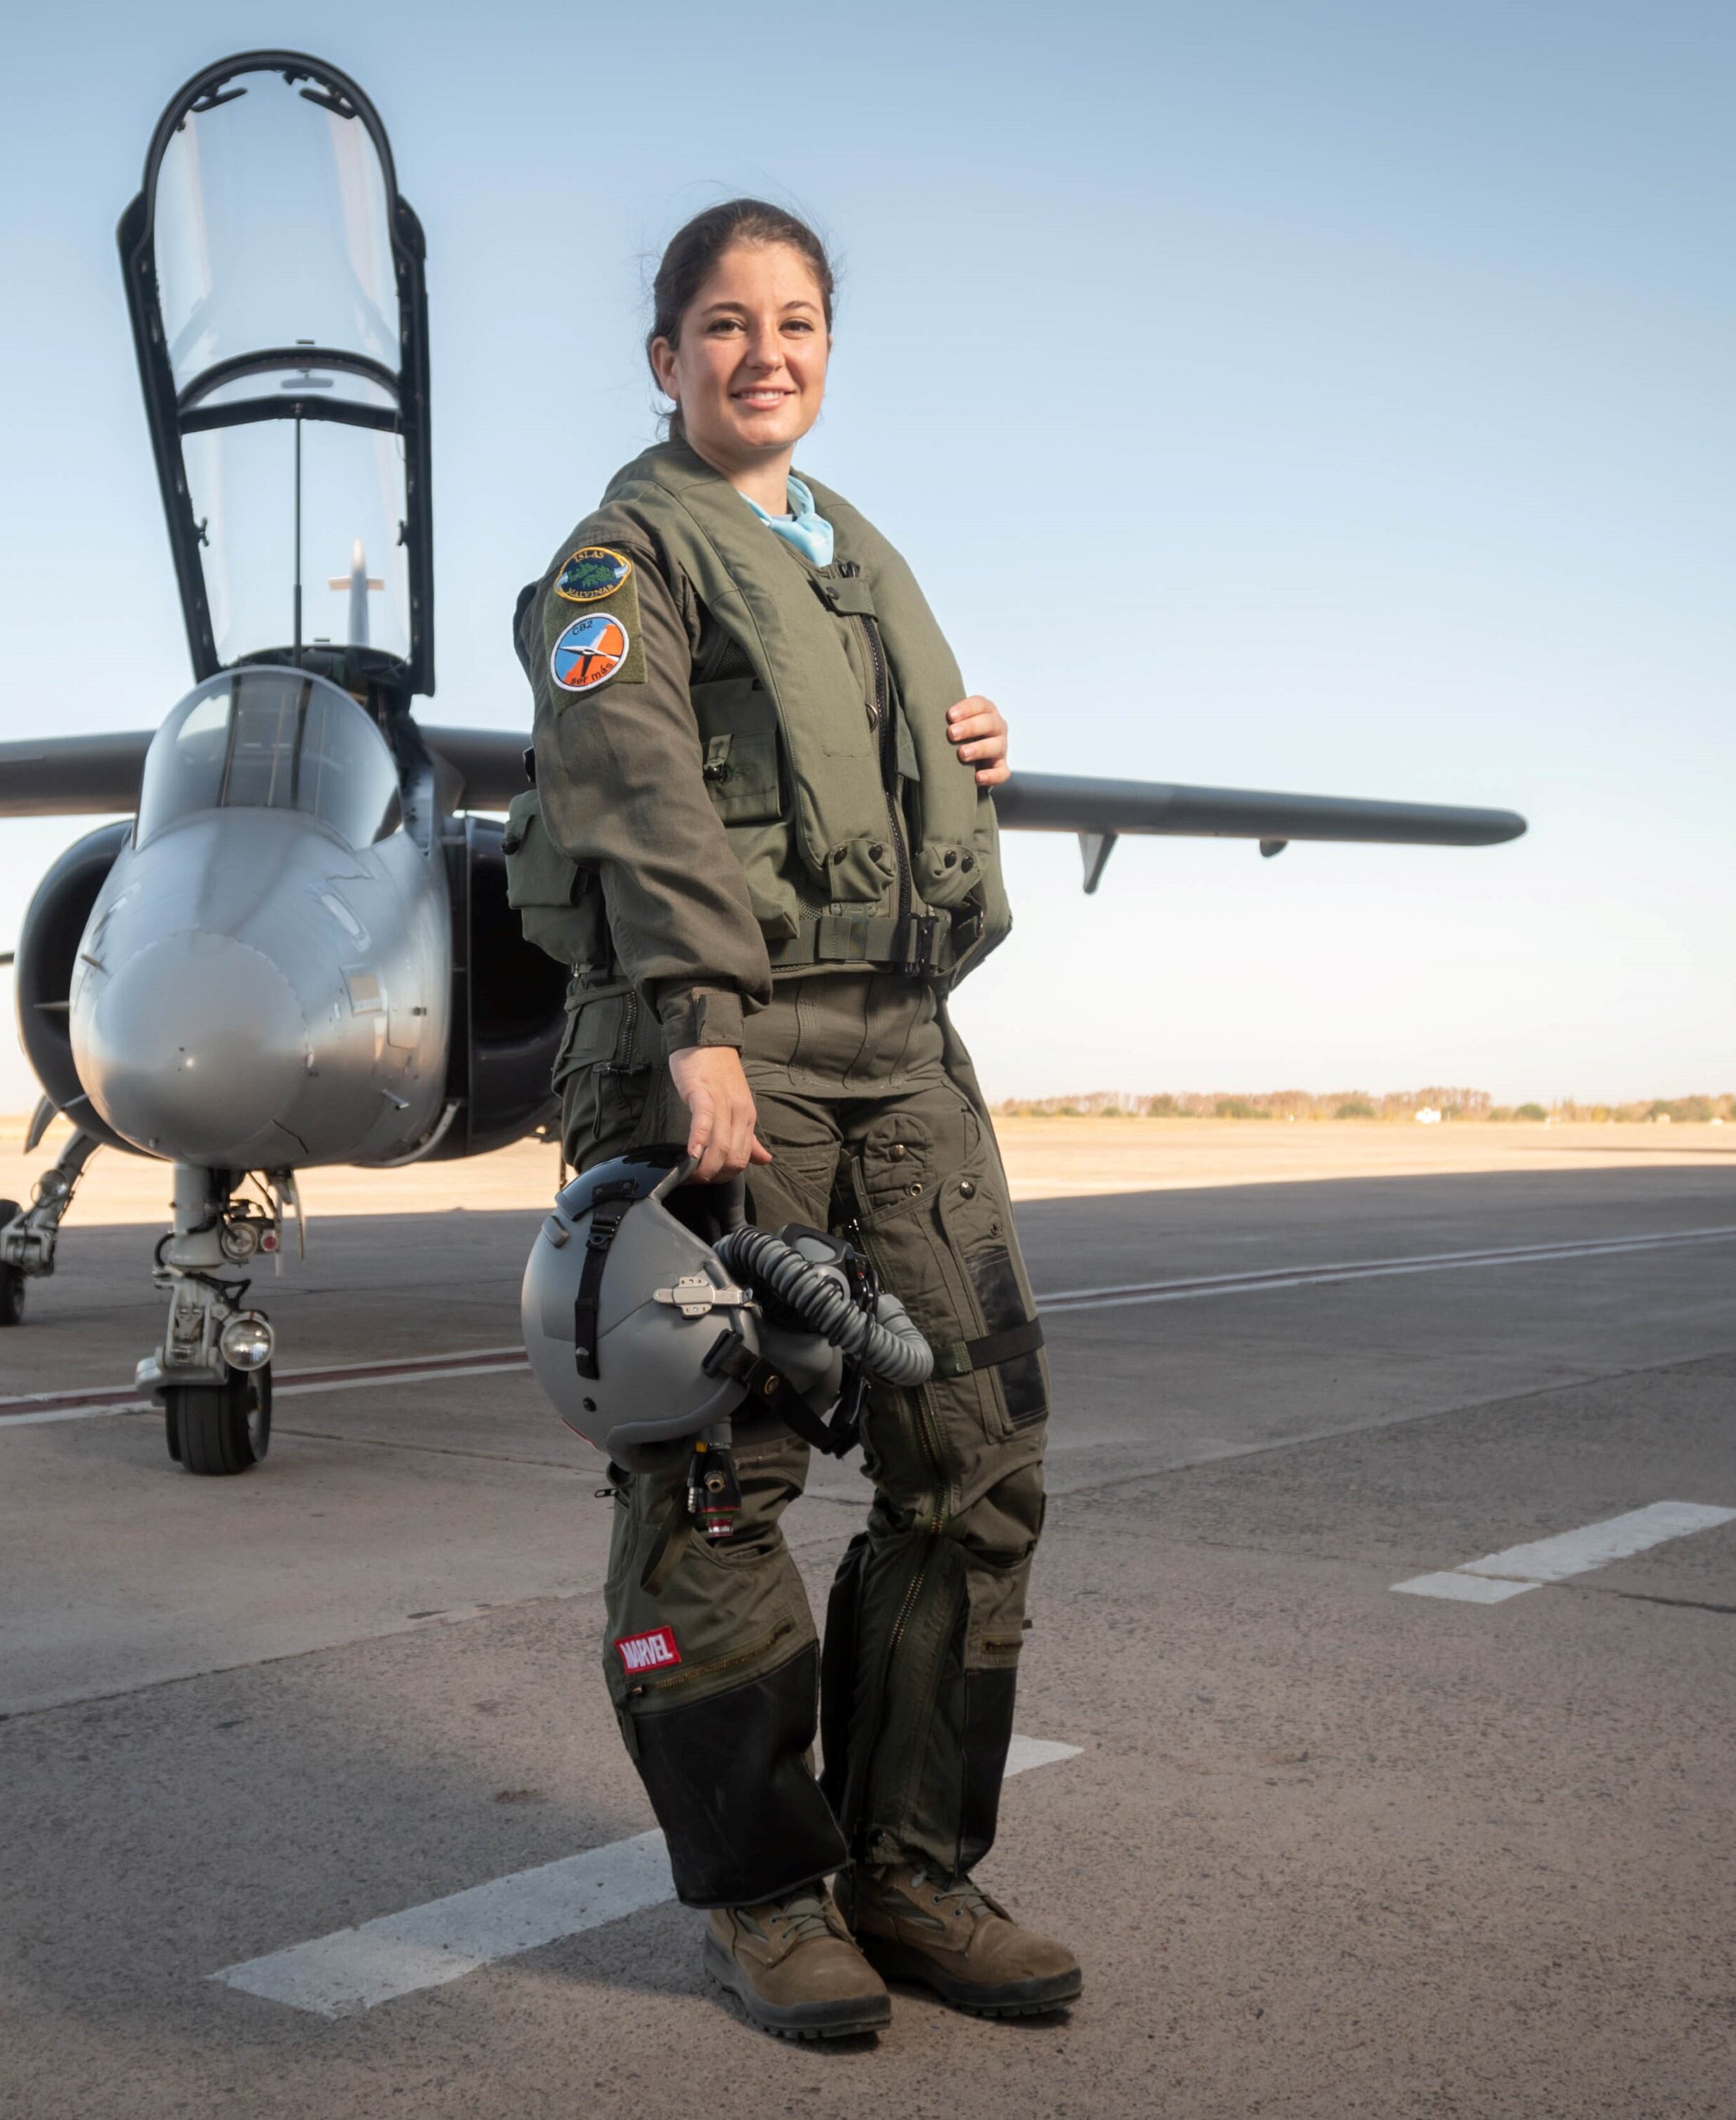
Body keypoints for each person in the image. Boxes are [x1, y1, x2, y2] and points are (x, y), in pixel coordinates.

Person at [504, 199, 1079, 2040]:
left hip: (896, 1049)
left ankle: (912, 1868)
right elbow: (635, 782)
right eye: (727, 325)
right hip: (722, 1056)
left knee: (971, 1465)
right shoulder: (625, 558)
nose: (767, 354)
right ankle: (763, 1894)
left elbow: (834, 788)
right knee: (719, 1474)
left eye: (801, 324)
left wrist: (956, 745)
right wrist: (695, 1029)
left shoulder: (841, 555)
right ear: (663, 356)